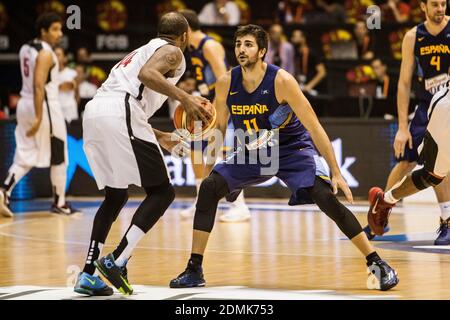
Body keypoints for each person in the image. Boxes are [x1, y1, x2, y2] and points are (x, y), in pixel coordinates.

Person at [169, 24, 399, 292]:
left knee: (326, 197)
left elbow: (315, 127)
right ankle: (194, 268)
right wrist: (210, 167)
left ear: (262, 51)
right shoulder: (226, 83)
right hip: (252, 150)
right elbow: (219, 129)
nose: (241, 49)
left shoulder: (282, 81)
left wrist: (335, 171)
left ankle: (377, 262)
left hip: (292, 149)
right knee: (208, 189)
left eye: (248, 44)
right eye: (238, 44)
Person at [73, 12, 210, 296]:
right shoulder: (172, 51)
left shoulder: (140, 50)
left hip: (97, 111)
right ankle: (118, 259)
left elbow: (132, 101)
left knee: (116, 195)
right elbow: (146, 76)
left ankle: (87, 275)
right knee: (163, 192)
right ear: (184, 36)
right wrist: (185, 97)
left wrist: (160, 138)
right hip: (120, 110)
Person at [363, 0, 450, 244]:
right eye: (435, 4)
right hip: (426, 106)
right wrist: (402, 127)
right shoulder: (413, 36)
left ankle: (447, 221)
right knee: (406, 161)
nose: (441, 9)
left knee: (442, 163)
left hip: (448, 103)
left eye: (444, 3)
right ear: (423, 7)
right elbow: (403, 83)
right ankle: (380, 213)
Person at [0, 12, 80, 218]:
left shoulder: (25, 48)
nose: (59, 33)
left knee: (26, 154)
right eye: (54, 29)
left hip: (24, 103)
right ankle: (60, 203)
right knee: (59, 154)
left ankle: (4, 191)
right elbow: (38, 86)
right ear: (43, 31)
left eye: (60, 29)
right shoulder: (45, 53)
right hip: (43, 106)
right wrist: (38, 116)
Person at [179, 9, 250, 222]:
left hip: (221, 104)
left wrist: (218, 108)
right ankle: (202, 200)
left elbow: (224, 78)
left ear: (186, 29)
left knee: (223, 154)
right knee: (196, 152)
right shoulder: (191, 47)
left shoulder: (208, 45)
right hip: (205, 104)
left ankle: (240, 206)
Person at [368, 85, 449, 244]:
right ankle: (386, 200)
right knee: (431, 176)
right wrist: (402, 127)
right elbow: (404, 83)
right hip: (446, 108)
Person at [290, 29, 327, 95]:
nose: (292, 38)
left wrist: (309, 86)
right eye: (292, 36)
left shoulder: (311, 53)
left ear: (303, 38)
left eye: (295, 36)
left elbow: (322, 72)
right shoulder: (295, 54)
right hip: (301, 89)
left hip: (313, 91)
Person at [55, 46, 79, 123]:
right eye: (54, 54)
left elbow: (72, 88)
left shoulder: (72, 73)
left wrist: (54, 87)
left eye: (58, 55)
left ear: (65, 58)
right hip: (55, 110)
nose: (55, 57)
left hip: (69, 112)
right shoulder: (48, 75)